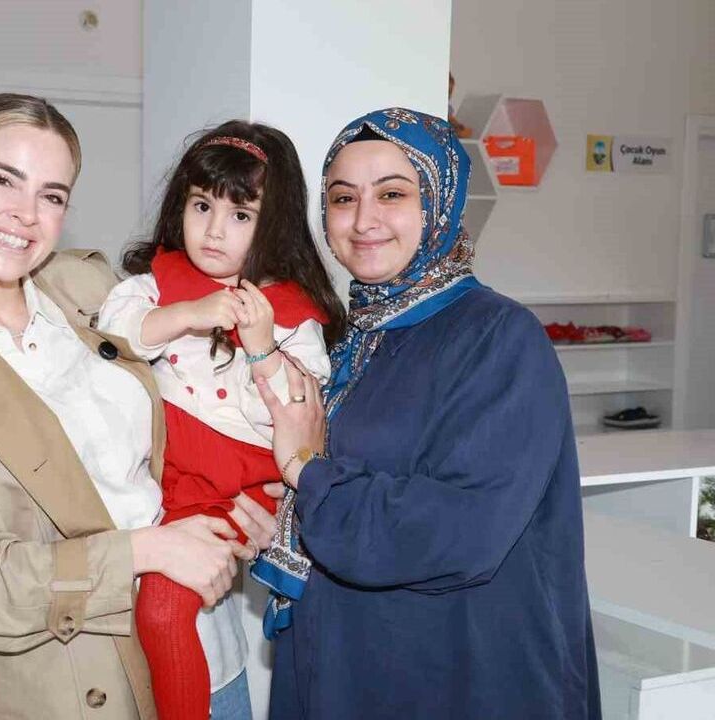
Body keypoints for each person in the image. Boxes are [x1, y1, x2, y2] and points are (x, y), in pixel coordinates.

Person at [0, 93, 280, 719]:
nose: (25, 215)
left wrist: (262, 516)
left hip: (209, 654)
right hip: (67, 686)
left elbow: (206, 411)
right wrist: (148, 551)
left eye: (51, 196)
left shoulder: (91, 287)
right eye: (4, 180)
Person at [257, 108, 600, 719]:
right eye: (343, 198)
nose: (363, 220)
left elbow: (456, 532)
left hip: (451, 673)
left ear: (439, 203)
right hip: (344, 660)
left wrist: (307, 472)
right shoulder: (344, 336)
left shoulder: (499, 338)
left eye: (392, 194)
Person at [98, 121, 344, 720]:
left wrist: (261, 349)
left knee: (162, 609)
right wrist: (188, 313)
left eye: (240, 214)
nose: (213, 229)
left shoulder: (290, 314)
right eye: (202, 205)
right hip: (161, 471)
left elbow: (291, 420)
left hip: (229, 486)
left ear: (273, 224)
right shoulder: (158, 284)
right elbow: (115, 332)